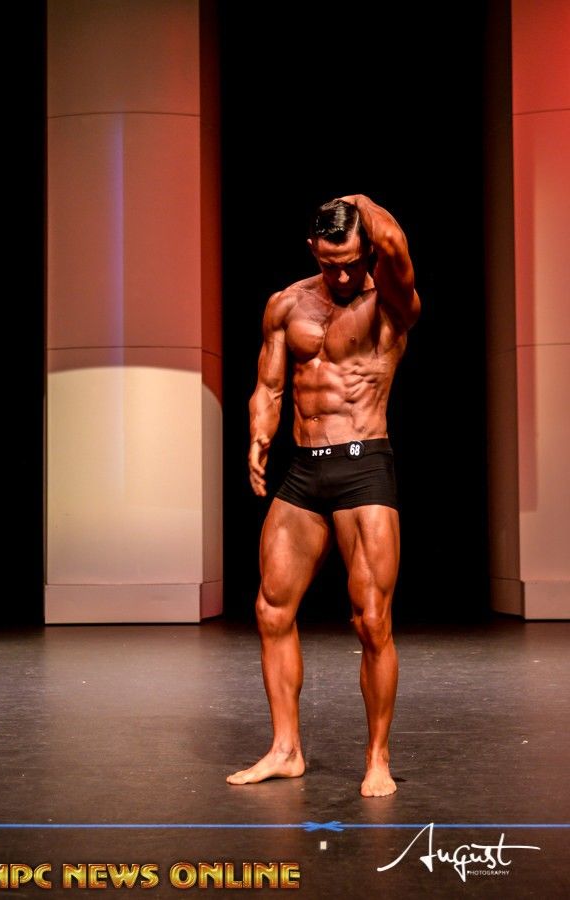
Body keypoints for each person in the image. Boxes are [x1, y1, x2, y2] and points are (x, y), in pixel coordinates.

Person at [226, 194, 421, 797]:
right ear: (312, 249)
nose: (341, 275)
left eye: (352, 262)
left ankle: (377, 757)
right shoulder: (286, 304)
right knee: (271, 609)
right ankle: (286, 749)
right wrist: (260, 433)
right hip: (304, 472)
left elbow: (396, 245)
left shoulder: (390, 302)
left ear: (367, 251)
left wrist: (359, 203)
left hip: (365, 468)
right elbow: (269, 385)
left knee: (372, 621)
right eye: (330, 263)